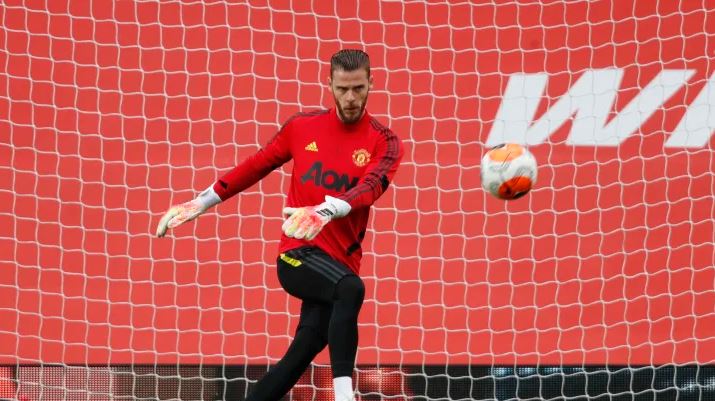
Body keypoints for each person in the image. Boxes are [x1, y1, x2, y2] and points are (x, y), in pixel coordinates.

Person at [156, 49, 403, 401]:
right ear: (329, 84)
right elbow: (256, 165)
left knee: (302, 352)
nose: (350, 98)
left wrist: (326, 210)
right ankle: (344, 396)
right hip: (297, 255)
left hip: (340, 265)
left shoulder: (384, 141)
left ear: (371, 84)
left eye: (358, 88)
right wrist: (201, 202)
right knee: (351, 290)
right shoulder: (302, 127)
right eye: (343, 89)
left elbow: (370, 187)